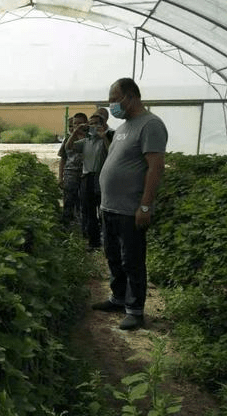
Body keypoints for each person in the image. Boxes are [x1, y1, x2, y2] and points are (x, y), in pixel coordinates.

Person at [92, 77, 167, 330]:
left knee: (132, 259)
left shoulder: (150, 124)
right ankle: (118, 298)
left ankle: (135, 310)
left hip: (130, 208)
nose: (112, 105)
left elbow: (155, 167)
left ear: (131, 96)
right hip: (110, 206)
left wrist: (145, 206)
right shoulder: (123, 127)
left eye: (114, 99)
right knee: (113, 255)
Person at [67, 112, 111, 249]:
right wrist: (76, 132)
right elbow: (68, 147)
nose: (92, 127)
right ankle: (94, 242)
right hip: (87, 177)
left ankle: (108, 241)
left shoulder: (108, 138)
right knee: (89, 210)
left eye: (95, 124)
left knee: (104, 210)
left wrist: (103, 137)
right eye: (90, 124)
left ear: (102, 125)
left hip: (101, 177)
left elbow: (112, 152)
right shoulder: (86, 141)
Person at [58, 113, 87, 228]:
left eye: (80, 123)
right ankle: (66, 227)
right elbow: (62, 159)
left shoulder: (90, 137)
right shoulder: (68, 139)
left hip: (85, 175)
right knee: (68, 201)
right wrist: (61, 178)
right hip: (70, 174)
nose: (77, 126)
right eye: (75, 123)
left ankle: (83, 227)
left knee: (83, 202)